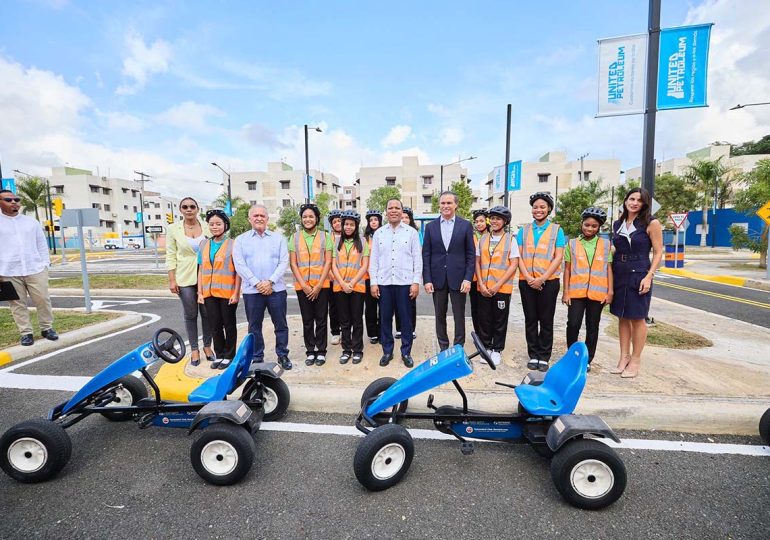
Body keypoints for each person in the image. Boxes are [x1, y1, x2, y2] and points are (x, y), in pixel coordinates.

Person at [610, 188, 663, 378]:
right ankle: (623, 357)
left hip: (639, 272)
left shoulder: (651, 223)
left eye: (639, 200)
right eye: (631, 199)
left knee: (638, 317)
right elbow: (616, 249)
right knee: (622, 316)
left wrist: (649, 276)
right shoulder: (618, 223)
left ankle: (635, 360)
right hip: (619, 271)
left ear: (644, 204)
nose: (634, 203)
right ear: (625, 201)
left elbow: (658, 252)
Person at [233, 204, 292, 370]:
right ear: (249, 219)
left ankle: (282, 354)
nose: (259, 218)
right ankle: (257, 357)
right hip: (253, 291)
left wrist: (270, 282)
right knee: (254, 326)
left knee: (280, 324)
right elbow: (240, 265)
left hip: (276, 289)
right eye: (255, 215)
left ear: (267, 219)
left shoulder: (278, 238)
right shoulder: (241, 240)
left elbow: (283, 262)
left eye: (262, 215)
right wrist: (257, 283)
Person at [0, 189, 57, 346]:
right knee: (17, 304)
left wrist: (45, 264)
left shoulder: (32, 222)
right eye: (8, 200)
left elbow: (41, 245)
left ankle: (47, 328)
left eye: (16, 199)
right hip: (8, 271)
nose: (13, 202)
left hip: (35, 268)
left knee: (43, 299)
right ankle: (26, 333)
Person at [369, 198, 422, 368]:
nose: (393, 210)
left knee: (405, 320)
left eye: (397, 208)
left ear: (401, 211)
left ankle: (406, 352)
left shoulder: (411, 233)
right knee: (384, 319)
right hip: (384, 283)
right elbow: (374, 260)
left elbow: (417, 259)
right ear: (386, 212)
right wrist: (373, 282)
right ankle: (387, 351)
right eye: (390, 208)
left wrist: (416, 282)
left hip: (405, 283)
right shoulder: (379, 233)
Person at [421, 191, 475, 351]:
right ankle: (443, 348)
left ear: (455, 205)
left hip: (459, 278)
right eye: (443, 203)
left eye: (449, 203)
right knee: (440, 316)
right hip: (437, 278)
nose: (446, 206)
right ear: (439, 205)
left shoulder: (465, 225)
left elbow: (471, 254)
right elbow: (426, 254)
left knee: (459, 316)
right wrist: (427, 279)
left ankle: (458, 347)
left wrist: (467, 278)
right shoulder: (431, 227)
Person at [517, 192, 565, 372]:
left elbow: (558, 256)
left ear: (549, 209)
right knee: (530, 319)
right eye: (535, 207)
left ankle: (544, 356)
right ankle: (533, 354)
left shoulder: (557, 230)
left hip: (548, 282)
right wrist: (529, 278)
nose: (538, 210)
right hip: (527, 281)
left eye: (542, 207)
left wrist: (542, 278)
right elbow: (519, 256)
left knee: (546, 320)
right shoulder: (524, 230)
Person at [562, 207, 613, 372]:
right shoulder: (572, 244)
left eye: (594, 226)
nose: (589, 228)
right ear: (582, 224)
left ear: (599, 228)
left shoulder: (606, 245)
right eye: (587, 225)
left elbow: (608, 269)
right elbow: (567, 269)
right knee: (573, 324)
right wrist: (566, 292)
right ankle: (572, 355)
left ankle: (588, 359)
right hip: (576, 293)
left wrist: (610, 292)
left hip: (597, 294)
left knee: (593, 326)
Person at [166, 197, 214, 365]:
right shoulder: (173, 229)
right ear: (181, 210)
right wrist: (172, 279)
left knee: (208, 313)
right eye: (185, 207)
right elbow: (170, 254)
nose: (189, 209)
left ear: (197, 209)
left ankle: (208, 346)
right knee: (191, 313)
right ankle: (194, 350)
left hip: (207, 276)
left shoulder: (208, 226)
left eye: (192, 206)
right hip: (184, 277)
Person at [289, 203, 334, 367]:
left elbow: (328, 262)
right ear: (301, 219)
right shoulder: (294, 237)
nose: (308, 219)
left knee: (321, 319)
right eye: (305, 216)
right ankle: (310, 350)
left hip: (321, 286)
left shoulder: (325, 236)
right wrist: (305, 285)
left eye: (311, 216)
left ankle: (321, 351)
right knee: (307, 320)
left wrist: (318, 285)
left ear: (317, 219)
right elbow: (293, 264)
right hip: (303, 287)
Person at [475, 206, 519, 366]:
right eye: (492, 218)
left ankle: (497, 349)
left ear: (505, 222)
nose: (494, 221)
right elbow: (477, 262)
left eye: (498, 218)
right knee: (485, 319)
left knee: (499, 320)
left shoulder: (510, 240)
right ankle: (485, 347)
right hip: (484, 288)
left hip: (501, 289)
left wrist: (497, 285)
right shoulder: (483, 239)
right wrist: (480, 282)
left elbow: (514, 264)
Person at [197, 209, 241, 370]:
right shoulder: (203, 244)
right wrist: (200, 292)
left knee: (228, 324)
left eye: (218, 224)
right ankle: (220, 354)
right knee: (214, 325)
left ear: (225, 225)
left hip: (227, 293)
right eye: (212, 224)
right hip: (209, 293)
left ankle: (229, 355)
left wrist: (236, 292)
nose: (215, 227)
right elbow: (201, 269)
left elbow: (238, 271)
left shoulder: (233, 244)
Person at [330, 211, 369, 364]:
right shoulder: (336, 242)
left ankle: (358, 349)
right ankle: (346, 350)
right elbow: (333, 265)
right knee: (344, 321)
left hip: (357, 287)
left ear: (356, 226)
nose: (348, 227)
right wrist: (342, 283)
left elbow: (364, 265)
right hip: (340, 288)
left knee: (357, 320)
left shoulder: (363, 242)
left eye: (351, 224)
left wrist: (351, 283)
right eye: (346, 224)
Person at [395, 206, 418, 340]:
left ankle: (411, 328)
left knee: (410, 303)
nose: (404, 219)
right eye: (402, 217)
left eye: (406, 217)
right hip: (397, 274)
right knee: (398, 303)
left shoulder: (414, 233)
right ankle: (399, 328)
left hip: (411, 273)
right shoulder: (395, 232)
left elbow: (417, 255)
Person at [469, 208, 489, 338]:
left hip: (489, 278)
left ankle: (487, 333)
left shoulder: (493, 236)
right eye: (476, 222)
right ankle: (478, 334)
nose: (479, 224)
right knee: (475, 308)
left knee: (486, 310)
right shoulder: (472, 237)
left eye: (481, 221)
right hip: (474, 279)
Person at [363, 209, 382, 344]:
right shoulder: (364, 238)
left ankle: (382, 332)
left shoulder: (385, 234)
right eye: (371, 220)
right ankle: (372, 333)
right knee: (370, 308)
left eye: (375, 219)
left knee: (384, 307)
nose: (373, 222)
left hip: (383, 277)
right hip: (367, 277)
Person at [327, 209, 343, 346]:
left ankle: (346, 331)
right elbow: (324, 258)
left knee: (347, 307)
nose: (338, 224)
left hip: (347, 278)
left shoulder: (350, 236)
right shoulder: (327, 238)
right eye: (335, 222)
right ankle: (335, 332)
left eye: (339, 221)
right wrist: (329, 273)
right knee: (333, 307)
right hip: (332, 278)